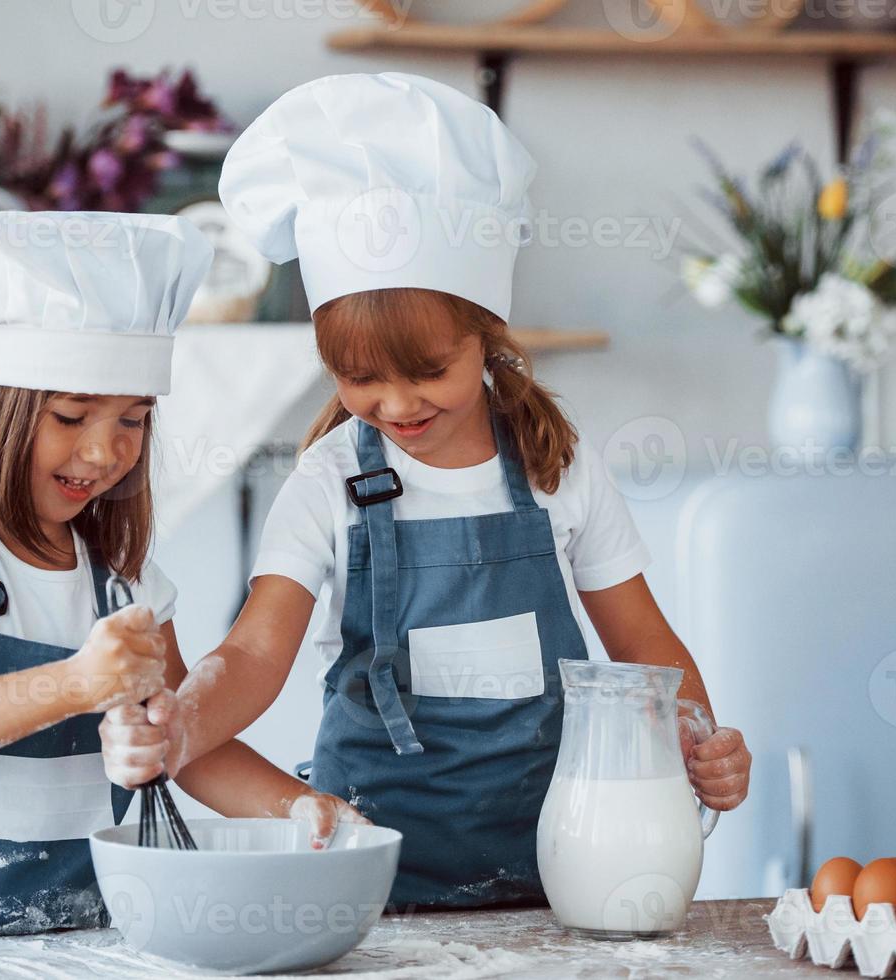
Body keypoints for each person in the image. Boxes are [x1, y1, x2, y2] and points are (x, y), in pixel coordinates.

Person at [101, 73, 752, 909]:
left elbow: (645, 648)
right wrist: (186, 718)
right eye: (360, 377)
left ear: (486, 337)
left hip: (561, 868)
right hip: (369, 876)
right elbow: (257, 653)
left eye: (429, 372)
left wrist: (700, 739)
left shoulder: (557, 466)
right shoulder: (330, 481)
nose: (399, 405)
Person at [0, 188, 356, 939]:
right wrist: (78, 682)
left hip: (85, 940)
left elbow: (184, 741)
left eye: (134, 420)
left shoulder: (122, 573)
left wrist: (297, 806)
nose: (105, 451)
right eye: (72, 417)